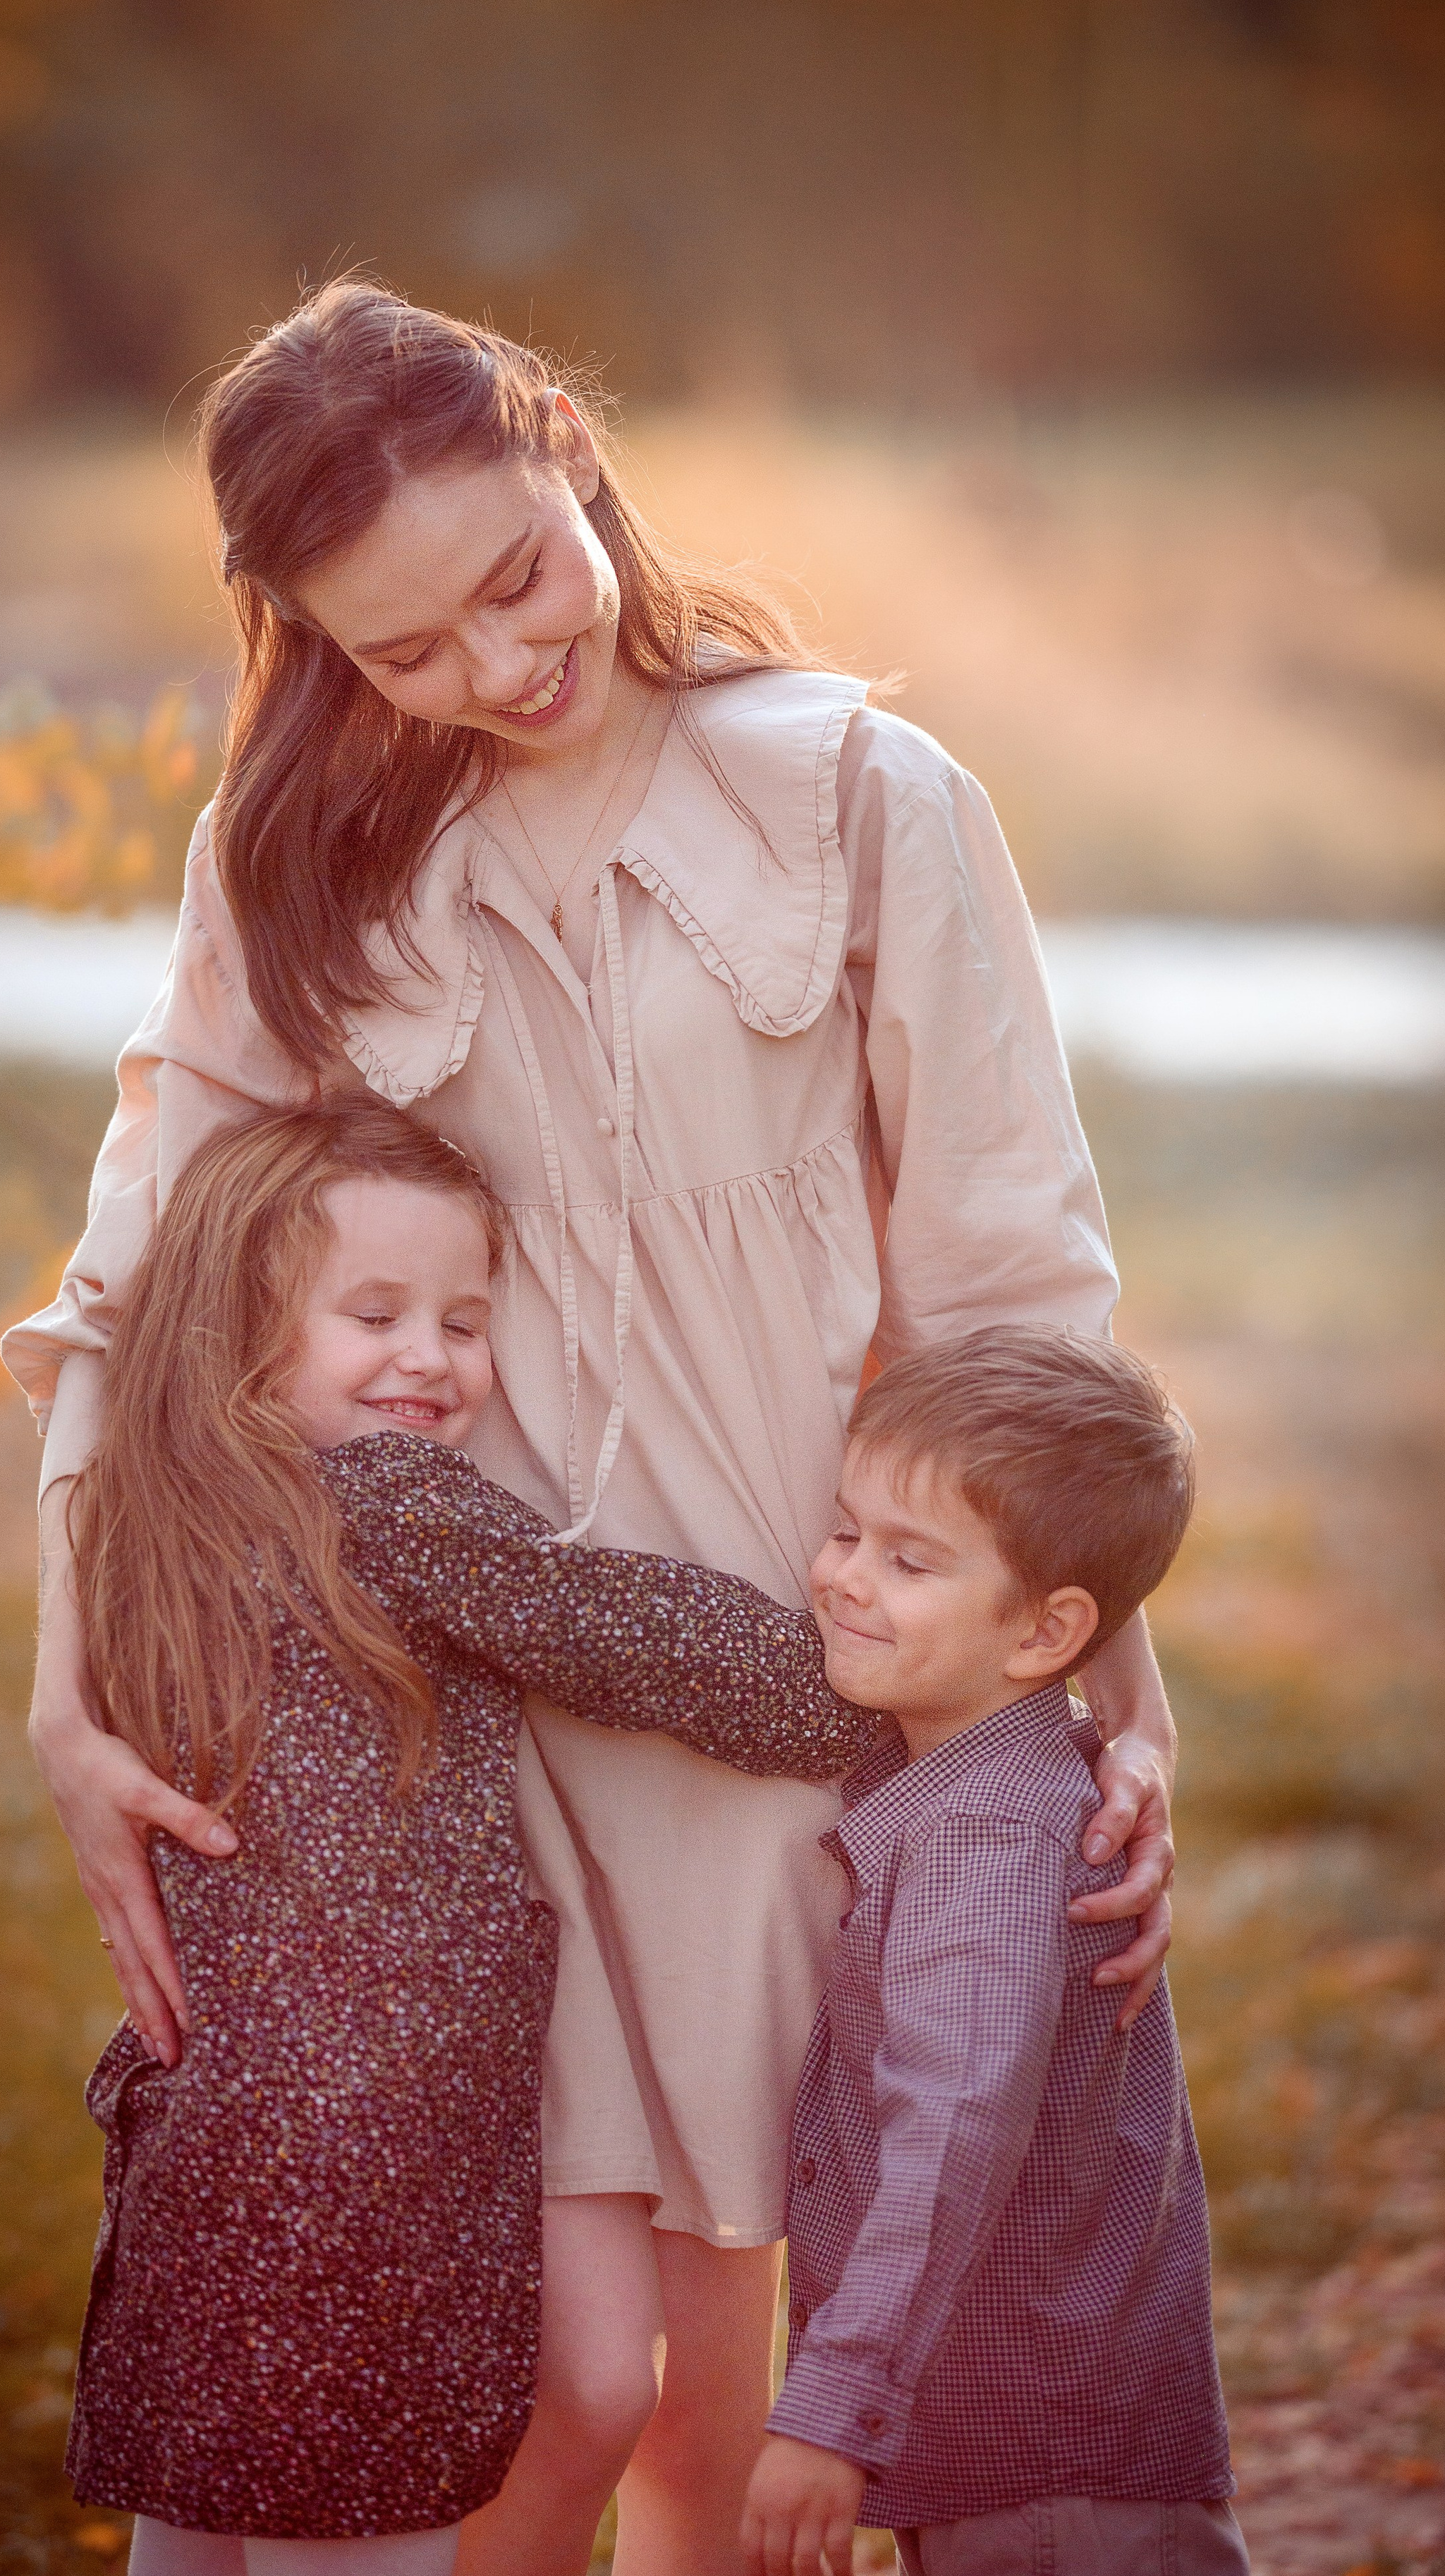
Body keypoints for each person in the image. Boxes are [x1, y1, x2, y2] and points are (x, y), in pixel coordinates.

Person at [4, 276, 1181, 2575]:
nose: (501, 665)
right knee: (545, 2382)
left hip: (780, 1676)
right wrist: (70, 1668)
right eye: (404, 648)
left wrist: (1102, 1698)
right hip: (429, 1728)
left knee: (715, 2414)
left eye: (517, 576)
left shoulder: (864, 800)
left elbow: (1016, 1279)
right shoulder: (300, 854)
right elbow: (141, 1265)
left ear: (568, 444)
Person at [68, 1097, 875, 2573]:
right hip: (370, 2148)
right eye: (371, 1313)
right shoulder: (384, 1503)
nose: (429, 1357)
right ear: (235, 1327)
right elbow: (621, 1633)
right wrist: (882, 1703)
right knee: (359, 2513)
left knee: (200, 2512)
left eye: (461, 1318)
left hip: (210, 2124)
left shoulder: (154, 1516)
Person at [740, 1326, 1246, 2576]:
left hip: (1053, 2469)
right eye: (847, 1531)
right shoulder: (992, 1775)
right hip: (1033, 2442)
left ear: (1042, 1635)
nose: (846, 1579)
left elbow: (951, 2131)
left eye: (910, 1562)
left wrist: (828, 2409)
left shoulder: (984, 1837)